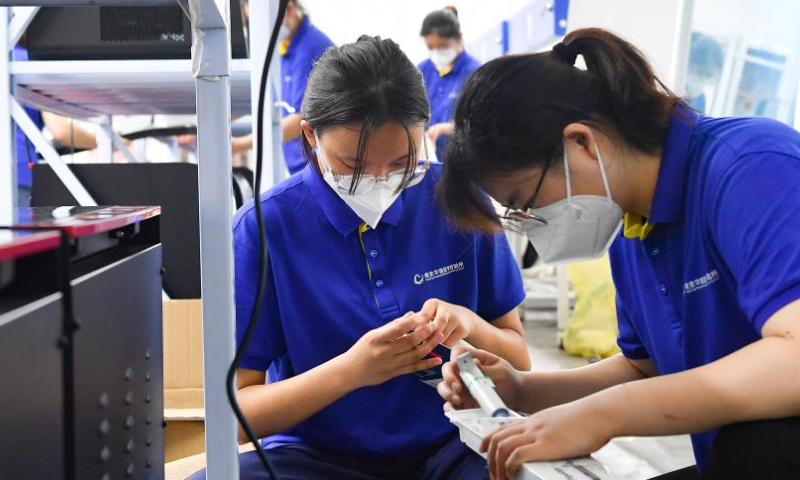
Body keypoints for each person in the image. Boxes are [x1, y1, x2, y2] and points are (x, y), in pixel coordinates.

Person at [436, 27, 800, 480]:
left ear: (582, 142)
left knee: (758, 447)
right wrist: (523, 389)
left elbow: (794, 358)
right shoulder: (633, 230)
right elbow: (643, 368)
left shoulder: (750, 167)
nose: (529, 222)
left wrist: (604, 415)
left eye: (524, 201)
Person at [188, 35, 530, 480]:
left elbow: (520, 362)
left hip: (454, 444)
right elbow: (232, 418)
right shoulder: (265, 229)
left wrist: (471, 325)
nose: (380, 180)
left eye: (402, 162)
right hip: (316, 457)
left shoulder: (459, 201)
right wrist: (352, 371)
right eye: (354, 165)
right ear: (310, 135)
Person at [232, 0, 334, 174]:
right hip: (303, 167)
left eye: (267, 23)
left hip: (317, 168)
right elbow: (272, 102)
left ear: (290, 9)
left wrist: (241, 145)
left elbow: (302, 119)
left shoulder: (309, 49)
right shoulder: (287, 48)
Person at [418, 6, 481, 159]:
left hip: (463, 160)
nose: (437, 52)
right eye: (431, 47)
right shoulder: (423, 70)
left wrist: (442, 129)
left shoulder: (475, 72)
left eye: (443, 46)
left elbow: (480, 123)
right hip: (428, 158)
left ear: (459, 37)